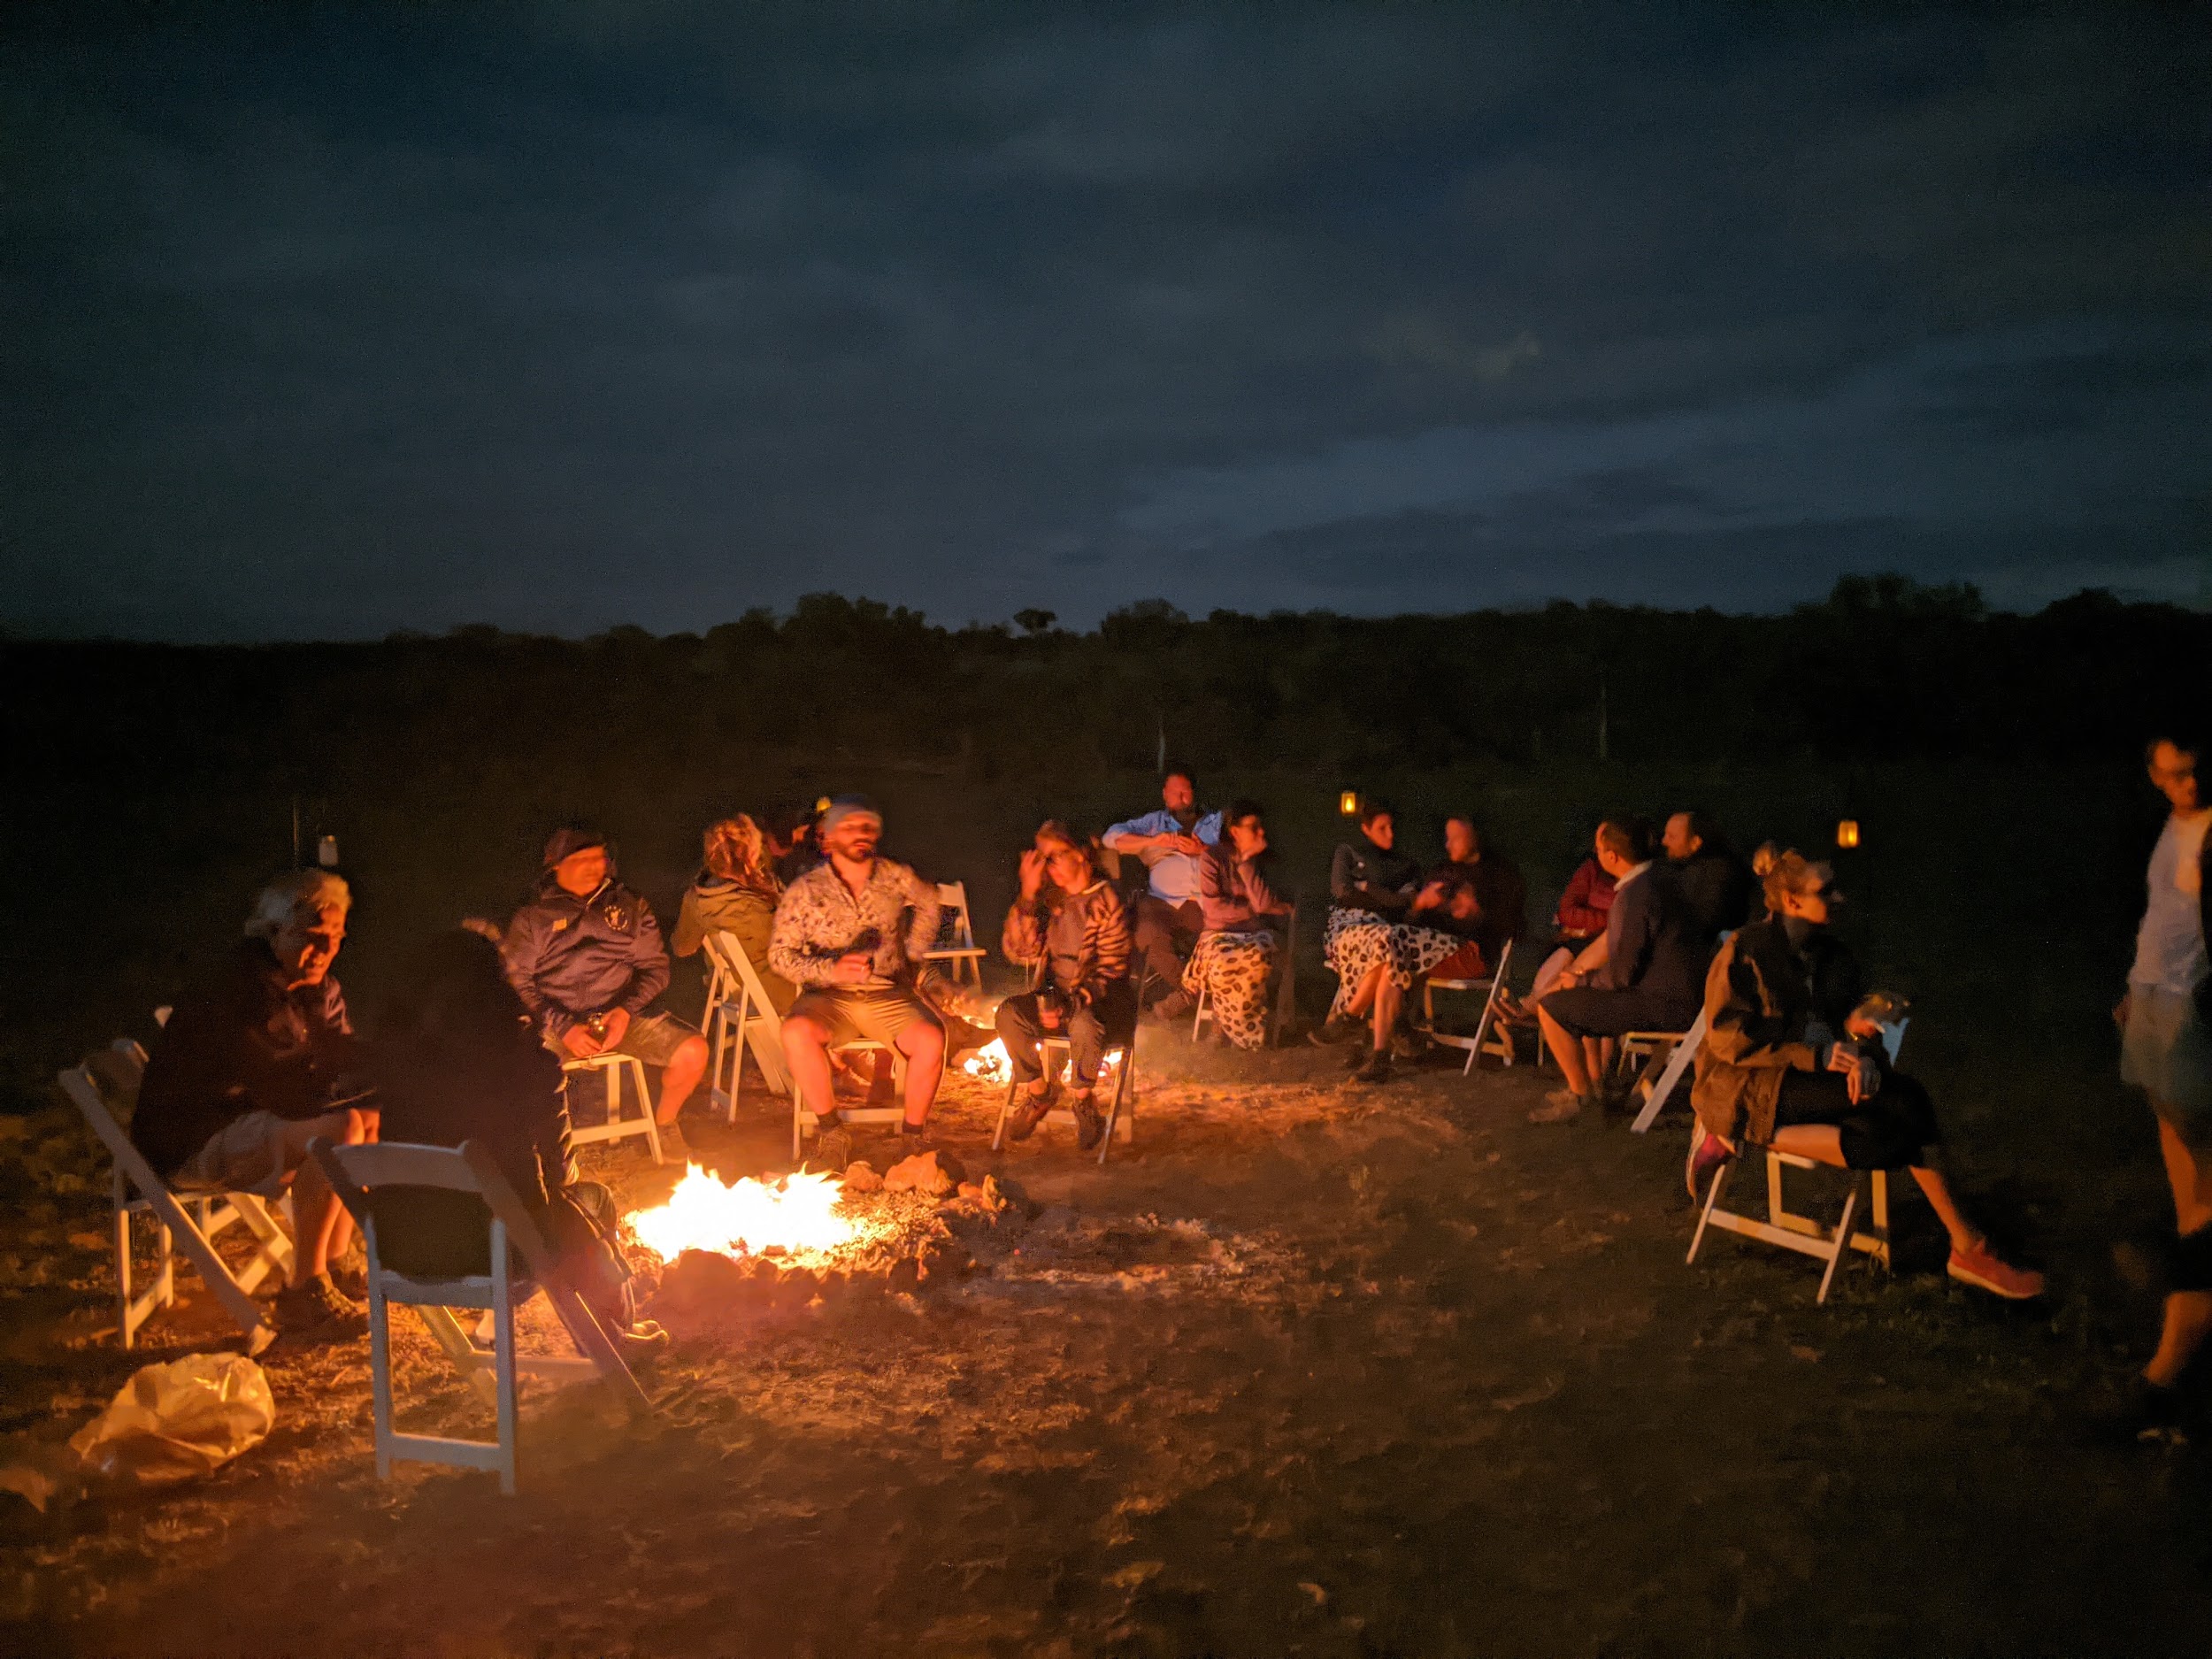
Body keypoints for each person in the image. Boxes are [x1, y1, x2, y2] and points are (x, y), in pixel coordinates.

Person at [1685, 844, 2045, 1300]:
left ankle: (1744, 1136)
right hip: (1747, 1082)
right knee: (1907, 1101)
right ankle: (1967, 1246)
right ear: (1792, 902)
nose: (1839, 899)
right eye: (1826, 891)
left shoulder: (1832, 957)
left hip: (1806, 1076)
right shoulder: (1748, 950)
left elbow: (1861, 1019)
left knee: (1882, 1133)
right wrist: (1813, 1055)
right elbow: (1727, 1038)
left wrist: (1869, 1056)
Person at [368, 930, 666, 1356]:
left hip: (407, 1248)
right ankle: (610, 1338)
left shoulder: (395, 1063)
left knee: (551, 1208)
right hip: (496, 1251)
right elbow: (559, 1176)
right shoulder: (525, 1065)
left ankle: (610, 1336)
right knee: (591, 1199)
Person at [130, 871, 378, 1335]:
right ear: (272, 933)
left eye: (335, 938)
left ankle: (338, 1264)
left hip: (248, 1120)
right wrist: (343, 1074)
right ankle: (304, 1291)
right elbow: (287, 1089)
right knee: (339, 1128)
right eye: (312, 936)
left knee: (368, 1118)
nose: (326, 950)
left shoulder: (312, 987)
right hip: (193, 1140)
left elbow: (341, 1065)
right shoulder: (240, 990)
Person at [2109, 732, 2212, 1432]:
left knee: (2197, 1129)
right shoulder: (2169, 825)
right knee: (2167, 1118)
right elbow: (2161, 913)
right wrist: (2131, 984)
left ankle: (2197, 1255)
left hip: (2191, 1000)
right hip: (2150, 994)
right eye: (2173, 776)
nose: (2187, 786)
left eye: (2195, 773)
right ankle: (2189, 1230)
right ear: (2155, 777)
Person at [501, 826, 711, 1162]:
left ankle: (665, 1125)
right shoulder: (534, 917)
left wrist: (625, 1011)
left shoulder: (629, 907)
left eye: (598, 858)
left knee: (693, 1051)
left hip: (621, 1017)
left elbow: (656, 969)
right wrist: (564, 1026)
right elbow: (517, 981)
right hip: (555, 1025)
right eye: (581, 859)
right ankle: (540, 1151)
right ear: (555, 866)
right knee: (517, 1071)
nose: (592, 867)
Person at [768, 795, 946, 1169]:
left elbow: (930, 902)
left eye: (867, 827)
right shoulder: (806, 890)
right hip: (828, 997)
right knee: (796, 1032)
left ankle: (912, 1139)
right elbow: (780, 956)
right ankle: (832, 1132)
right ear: (829, 838)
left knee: (931, 1038)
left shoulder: (896, 877)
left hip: (887, 993)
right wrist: (829, 971)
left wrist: (912, 956)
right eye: (849, 828)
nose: (861, 835)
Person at [1528, 819, 1703, 1123]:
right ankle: (1599, 1084)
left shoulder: (1635, 895)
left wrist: (1581, 981)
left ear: (1613, 856)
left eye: (1598, 849)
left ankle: (1581, 1096)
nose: (1595, 855)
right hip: (1686, 995)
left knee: (1552, 1008)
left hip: (1665, 1004)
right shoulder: (1661, 881)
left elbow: (1622, 974)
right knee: (1578, 996)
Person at [997, 823, 1135, 1150]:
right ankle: (1038, 1092)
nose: (1050, 865)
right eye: (1044, 858)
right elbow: (1020, 952)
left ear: (1081, 854)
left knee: (1085, 1024)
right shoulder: (1051, 901)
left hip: (1101, 1001)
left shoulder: (1109, 900)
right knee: (1008, 1014)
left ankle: (1084, 1099)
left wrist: (1072, 1004)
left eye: (1056, 855)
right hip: (1055, 996)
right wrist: (1028, 896)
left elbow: (1112, 970)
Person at [1316, 802, 1466, 1084]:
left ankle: (1353, 1020)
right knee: (1388, 943)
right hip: (1349, 927)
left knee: (1388, 947)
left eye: (1392, 826)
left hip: (1388, 933)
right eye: (1382, 828)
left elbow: (1405, 906)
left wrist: (1368, 888)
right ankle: (1390, 1029)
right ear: (1366, 829)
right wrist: (1384, 897)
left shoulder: (1406, 865)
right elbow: (1344, 895)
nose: (1390, 833)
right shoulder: (1347, 852)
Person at [1103, 768, 1223, 1018]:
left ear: (1195, 793)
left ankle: (1187, 996)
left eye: (1185, 791)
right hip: (1162, 902)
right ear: (1165, 795)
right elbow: (1110, 838)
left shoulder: (1216, 822)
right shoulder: (1154, 823)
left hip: (1204, 902)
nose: (1180, 798)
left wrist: (1204, 850)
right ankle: (1202, 996)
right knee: (1149, 934)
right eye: (1174, 792)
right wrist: (1155, 841)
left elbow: (1242, 853)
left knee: (1219, 938)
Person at [1183, 799, 1293, 1051]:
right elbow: (1214, 908)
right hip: (1219, 933)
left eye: (1260, 827)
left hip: (1257, 933)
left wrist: (1246, 865)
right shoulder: (1213, 858)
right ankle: (1231, 1026)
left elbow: (1264, 903)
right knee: (1222, 960)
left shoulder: (1263, 860)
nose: (1261, 833)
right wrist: (1252, 908)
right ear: (1234, 831)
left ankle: (1227, 1024)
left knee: (1255, 957)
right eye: (1253, 827)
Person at [672, 814, 796, 1015]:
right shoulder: (758, 904)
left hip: (734, 993)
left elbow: (682, 947)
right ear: (748, 852)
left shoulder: (699, 897)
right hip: (779, 994)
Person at [1430, 815, 1526, 970]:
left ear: (1474, 836)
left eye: (1455, 838)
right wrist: (1420, 905)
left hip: (1476, 953)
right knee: (1390, 950)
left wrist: (1476, 914)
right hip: (1436, 946)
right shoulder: (1444, 871)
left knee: (1394, 956)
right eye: (1448, 838)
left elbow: (1514, 924)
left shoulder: (1500, 874)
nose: (1448, 845)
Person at [1663, 810, 1755, 951]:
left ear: (1696, 842)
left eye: (1672, 837)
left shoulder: (1713, 873)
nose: (1664, 841)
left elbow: (1703, 923)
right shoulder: (1696, 868)